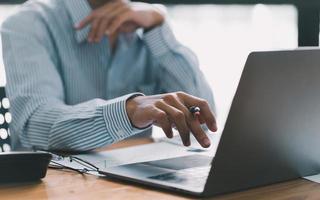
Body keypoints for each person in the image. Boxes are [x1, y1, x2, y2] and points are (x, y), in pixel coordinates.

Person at [1, 0, 217, 151]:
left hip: (133, 185)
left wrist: (157, 27)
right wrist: (128, 110)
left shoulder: (145, 24)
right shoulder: (27, 25)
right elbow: (35, 124)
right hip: (52, 187)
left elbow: (205, 121)